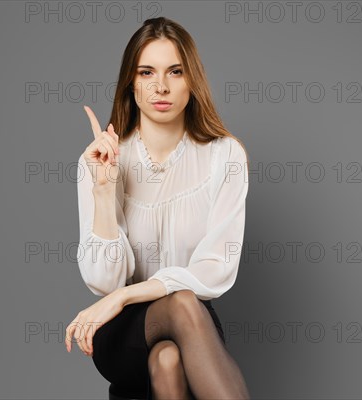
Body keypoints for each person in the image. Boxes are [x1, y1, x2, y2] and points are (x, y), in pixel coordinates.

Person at [65, 17, 251, 400]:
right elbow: (104, 282)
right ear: (130, 83)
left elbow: (216, 268)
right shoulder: (102, 159)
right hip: (123, 332)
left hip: (189, 319)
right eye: (146, 72)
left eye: (175, 72)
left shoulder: (225, 156)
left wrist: (123, 296)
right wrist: (104, 190)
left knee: (168, 358)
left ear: (192, 80)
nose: (160, 86)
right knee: (180, 307)